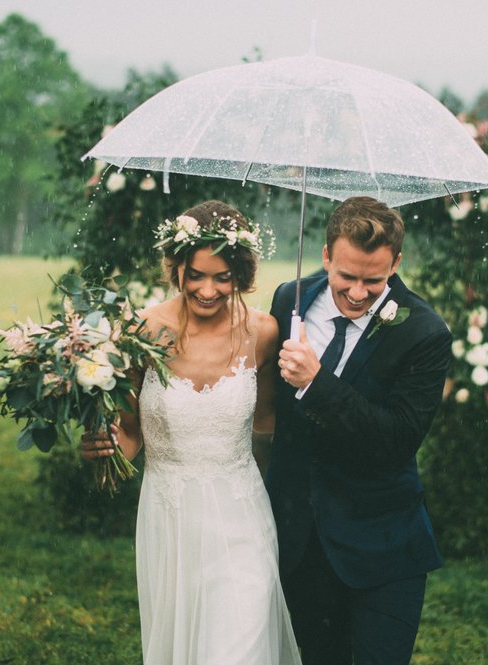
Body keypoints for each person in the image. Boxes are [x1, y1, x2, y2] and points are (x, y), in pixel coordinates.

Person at [80, 201, 301, 665]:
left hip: (242, 517)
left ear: (241, 272)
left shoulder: (263, 332)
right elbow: (132, 431)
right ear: (176, 267)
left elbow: (266, 424)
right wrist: (106, 446)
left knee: (239, 647)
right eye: (196, 274)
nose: (208, 289)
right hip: (171, 517)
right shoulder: (141, 331)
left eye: (223, 276)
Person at [267, 196, 452, 665]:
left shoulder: (425, 332)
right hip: (302, 542)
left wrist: (316, 383)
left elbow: (395, 440)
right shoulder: (290, 299)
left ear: (397, 263)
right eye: (346, 276)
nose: (357, 292)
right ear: (326, 255)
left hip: (383, 545)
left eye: (374, 279)